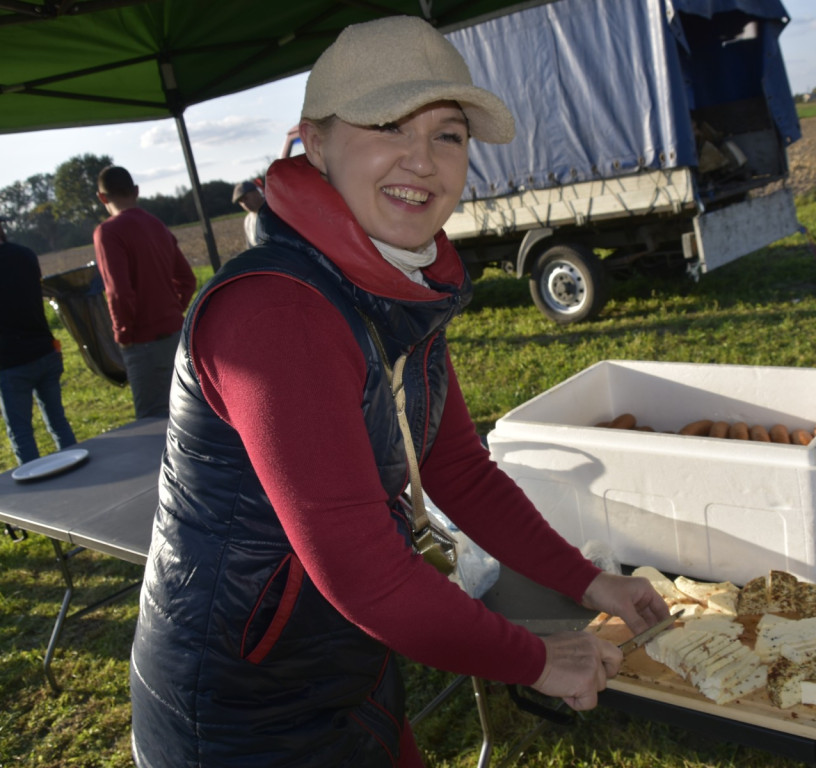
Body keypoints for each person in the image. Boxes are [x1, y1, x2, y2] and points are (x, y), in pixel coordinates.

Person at [129, 16, 669, 768]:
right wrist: (541, 659)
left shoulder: (395, 286)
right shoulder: (275, 312)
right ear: (315, 144)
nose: (422, 159)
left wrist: (588, 581)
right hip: (242, 715)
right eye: (387, 124)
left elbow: (459, 473)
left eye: (447, 135)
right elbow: (363, 572)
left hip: (349, 666)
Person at [93, 166, 197, 419]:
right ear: (136, 191)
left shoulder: (108, 232)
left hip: (142, 341)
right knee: (188, 413)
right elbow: (187, 279)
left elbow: (118, 292)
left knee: (152, 421)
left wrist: (123, 333)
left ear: (102, 198)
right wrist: (172, 308)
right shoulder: (156, 225)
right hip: (176, 334)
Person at [0, 216, 77, 465]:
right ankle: (76, 466)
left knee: (21, 433)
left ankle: (38, 496)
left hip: (10, 362)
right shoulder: (26, 255)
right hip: (44, 349)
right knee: (58, 422)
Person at [231, 179, 265, 247]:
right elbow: (250, 247)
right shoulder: (248, 220)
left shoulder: (275, 210)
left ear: (257, 193)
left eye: (245, 198)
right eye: (240, 201)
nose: (244, 203)